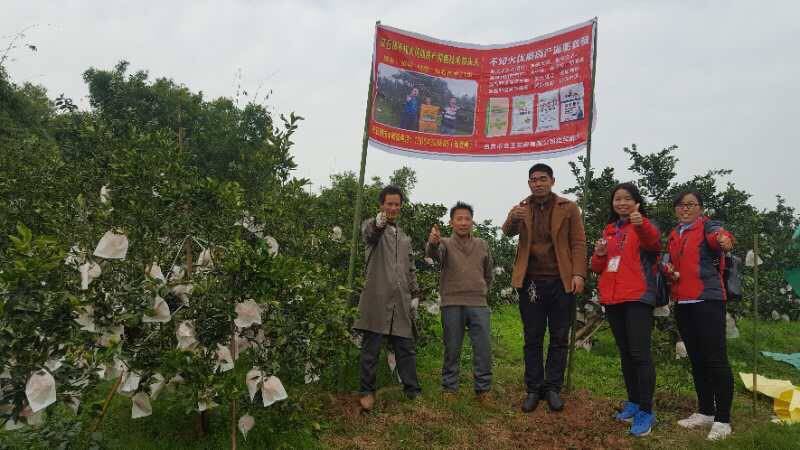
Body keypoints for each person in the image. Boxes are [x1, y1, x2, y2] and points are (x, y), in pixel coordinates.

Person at [501, 163, 587, 413]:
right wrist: (511, 217)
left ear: (552, 180)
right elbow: (507, 232)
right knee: (533, 336)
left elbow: (579, 243)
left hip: (562, 280)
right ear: (529, 183)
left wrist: (579, 273)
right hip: (531, 282)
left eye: (542, 179)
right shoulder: (523, 207)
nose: (537, 183)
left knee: (560, 337)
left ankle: (552, 388)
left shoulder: (568, 208)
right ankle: (533, 388)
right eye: (533, 180)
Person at [664, 190, 735, 441]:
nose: (685, 209)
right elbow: (669, 261)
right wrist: (669, 270)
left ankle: (723, 420)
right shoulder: (675, 234)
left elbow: (720, 238)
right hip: (684, 302)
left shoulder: (707, 226)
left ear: (700, 208)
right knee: (696, 359)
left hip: (708, 300)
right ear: (675, 209)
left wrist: (725, 239)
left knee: (716, 359)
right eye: (681, 205)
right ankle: (705, 411)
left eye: (691, 205)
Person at [590, 183, 660, 436]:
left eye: (627, 199)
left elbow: (654, 244)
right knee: (626, 353)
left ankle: (645, 410)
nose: (621, 203)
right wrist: (598, 254)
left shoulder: (643, 226)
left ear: (636, 201)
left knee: (640, 354)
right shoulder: (609, 230)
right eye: (617, 199)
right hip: (613, 298)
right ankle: (633, 401)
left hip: (637, 297)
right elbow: (599, 267)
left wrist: (640, 223)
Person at [354, 185, 421, 411]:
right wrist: (378, 224)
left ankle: (412, 391)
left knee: (405, 348)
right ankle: (366, 392)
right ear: (381, 205)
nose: (393, 208)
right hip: (377, 298)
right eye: (389, 204)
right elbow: (369, 234)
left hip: (400, 302)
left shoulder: (404, 238)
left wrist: (415, 294)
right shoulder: (372, 226)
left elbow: (410, 268)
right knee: (371, 349)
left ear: (401, 207)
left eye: (397, 204)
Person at [426, 202, 493, 400]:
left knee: (483, 348)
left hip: (478, 303)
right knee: (452, 347)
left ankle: (483, 389)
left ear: (472, 222)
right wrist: (433, 242)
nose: (463, 222)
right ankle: (450, 388)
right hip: (452, 303)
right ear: (451, 222)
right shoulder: (444, 244)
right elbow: (433, 255)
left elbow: (488, 273)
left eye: (467, 219)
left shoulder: (482, 244)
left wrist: (481, 291)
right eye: (459, 219)